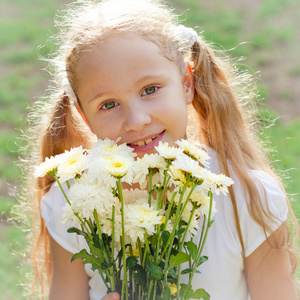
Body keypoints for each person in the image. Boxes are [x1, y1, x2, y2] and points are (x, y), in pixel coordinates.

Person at [21, 0, 299, 299]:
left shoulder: (247, 197)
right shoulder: (72, 204)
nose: (137, 121)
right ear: (85, 117)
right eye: (109, 105)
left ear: (186, 83)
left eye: (150, 90)